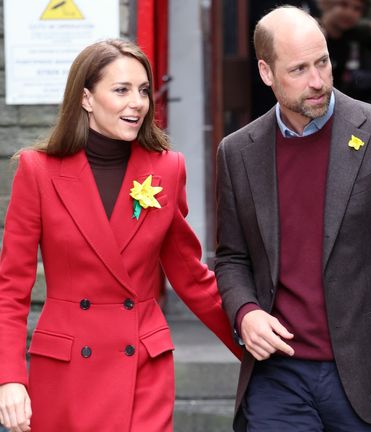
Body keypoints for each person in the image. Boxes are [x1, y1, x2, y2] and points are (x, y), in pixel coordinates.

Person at [0, 39, 241, 432]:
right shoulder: (38, 171)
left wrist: (249, 341)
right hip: (66, 369)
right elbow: (11, 290)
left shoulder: (167, 169)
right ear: (86, 98)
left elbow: (190, 276)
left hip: (142, 367)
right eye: (121, 90)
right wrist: (9, 377)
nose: (138, 103)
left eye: (144, 90)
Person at [215, 6, 371, 432]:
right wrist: (245, 311)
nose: (318, 81)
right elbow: (231, 257)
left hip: (367, 379)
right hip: (277, 377)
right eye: (299, 69)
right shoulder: (237, 152)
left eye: (322, 61)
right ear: (266, 73)